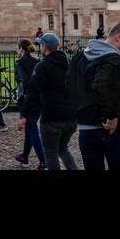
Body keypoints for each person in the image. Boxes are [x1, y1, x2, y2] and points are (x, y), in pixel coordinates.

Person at [69, 23, 120, 171]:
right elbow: (100, 84)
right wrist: (111, 116)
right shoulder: (113, 58)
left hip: (86, 132)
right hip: (112, 131)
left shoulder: (79, 57)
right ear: (119, 37)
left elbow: (70, 86)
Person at [24, 32, 77, 170]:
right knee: (62, 148)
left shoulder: (43, 66)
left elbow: (32, 91)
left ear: (45, 47)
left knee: (51, 153)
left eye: (40, 44)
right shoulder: (69, 64)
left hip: (52, 117)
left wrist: (24, 114)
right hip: (71, 116)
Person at [12, 39, 44, 168]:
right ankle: (25, 157)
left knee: (32, 130)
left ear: (20, 48)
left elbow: (25, 80)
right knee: (30, 130)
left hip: (26, 99)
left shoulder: (20, 62)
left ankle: (43, 161)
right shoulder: (37, 61)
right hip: (39, 99)